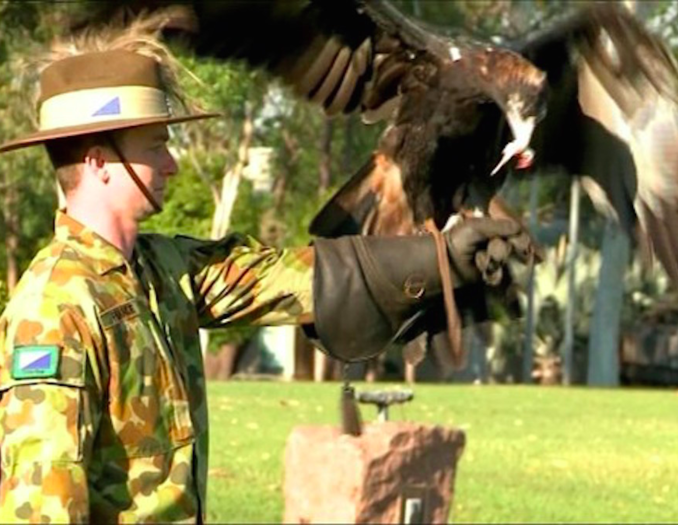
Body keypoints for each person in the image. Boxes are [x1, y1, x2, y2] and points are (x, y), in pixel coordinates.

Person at [0, 22, 530, 524]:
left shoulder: (163, 268)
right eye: (156, 146)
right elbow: (43, 500)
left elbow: (291, 279)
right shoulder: (53, 310)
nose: (172, 165)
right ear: (99, 162)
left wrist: (442, 258)